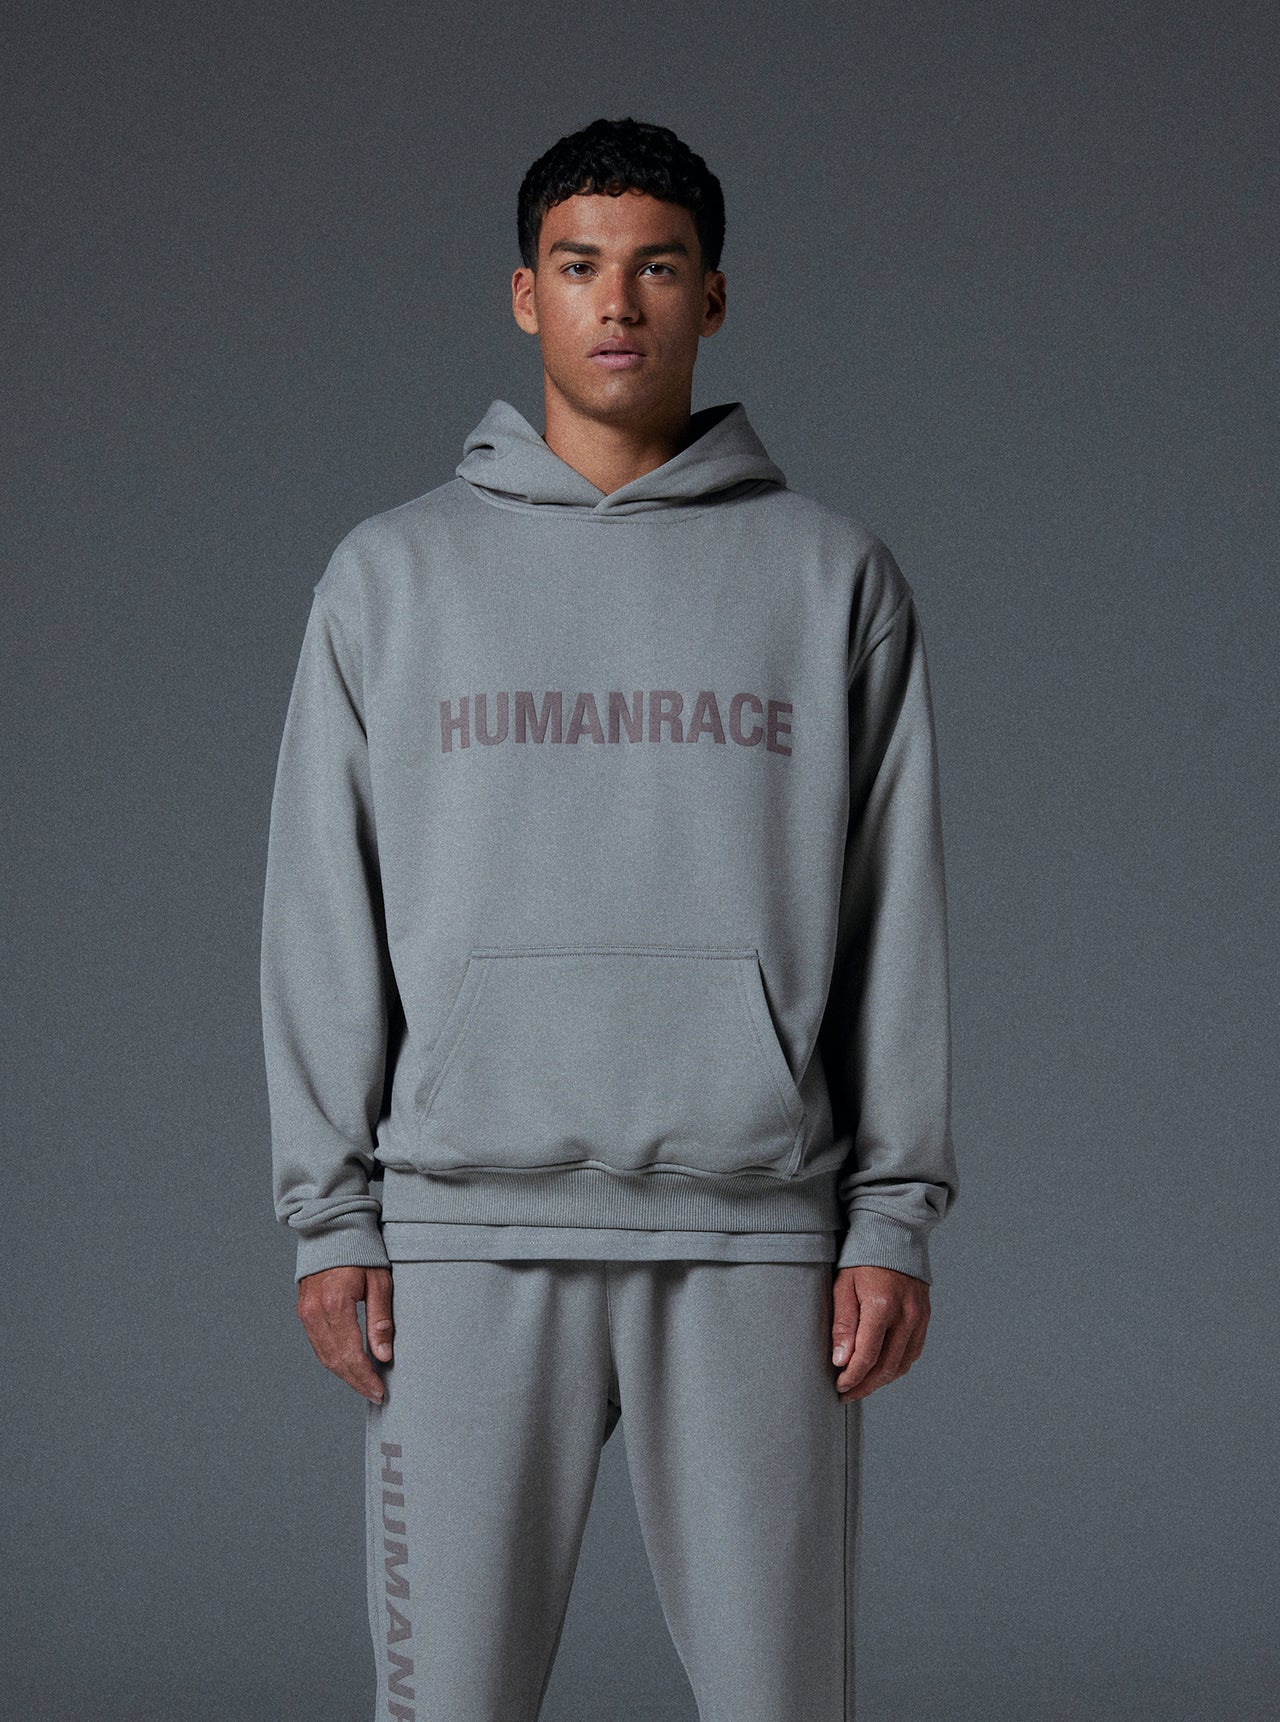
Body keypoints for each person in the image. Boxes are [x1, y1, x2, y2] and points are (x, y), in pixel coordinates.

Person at [260, 114, 959, 1722]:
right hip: (462, 1229)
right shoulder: (390, 577)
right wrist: (333, 1214)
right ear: (527, 295)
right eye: (580, 267)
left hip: (755, 1227)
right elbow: (318, 901)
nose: (618, 301)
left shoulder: (831, 579)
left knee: (784, 1702)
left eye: (657, 267)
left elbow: (895, 910)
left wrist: (890, 1214)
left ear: (713, 296)